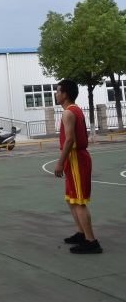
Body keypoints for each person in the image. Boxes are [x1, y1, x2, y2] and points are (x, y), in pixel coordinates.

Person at [54, 79, 102, 254]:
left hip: (76, 158)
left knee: (79, 201)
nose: (56, 94)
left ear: (65, 94)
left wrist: (60, 163)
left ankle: (91, 241)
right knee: (71, 199)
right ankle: (81, 233)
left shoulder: (68, 113)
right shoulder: (75, 109)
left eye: (58, 91)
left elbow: (70, 140)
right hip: (75, 158)